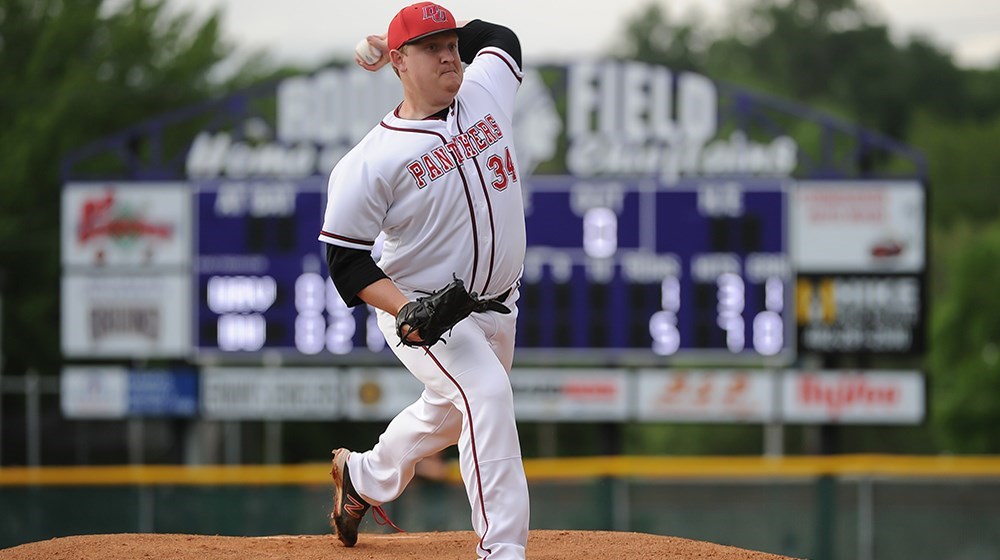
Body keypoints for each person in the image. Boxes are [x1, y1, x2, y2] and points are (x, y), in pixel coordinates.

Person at [317, 3, 529, 559]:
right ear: (398, 63)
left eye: (452, 43)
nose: (449, 54)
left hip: (500, 303)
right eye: (431, 47)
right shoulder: (371, 161)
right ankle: (502, 549)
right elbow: (346, 260)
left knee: (449, 411)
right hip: (428, 315)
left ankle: (362, 477)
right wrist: (403, 307)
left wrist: (416, 34)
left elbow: (502, 36)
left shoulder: (485, 88)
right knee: (486, 394)